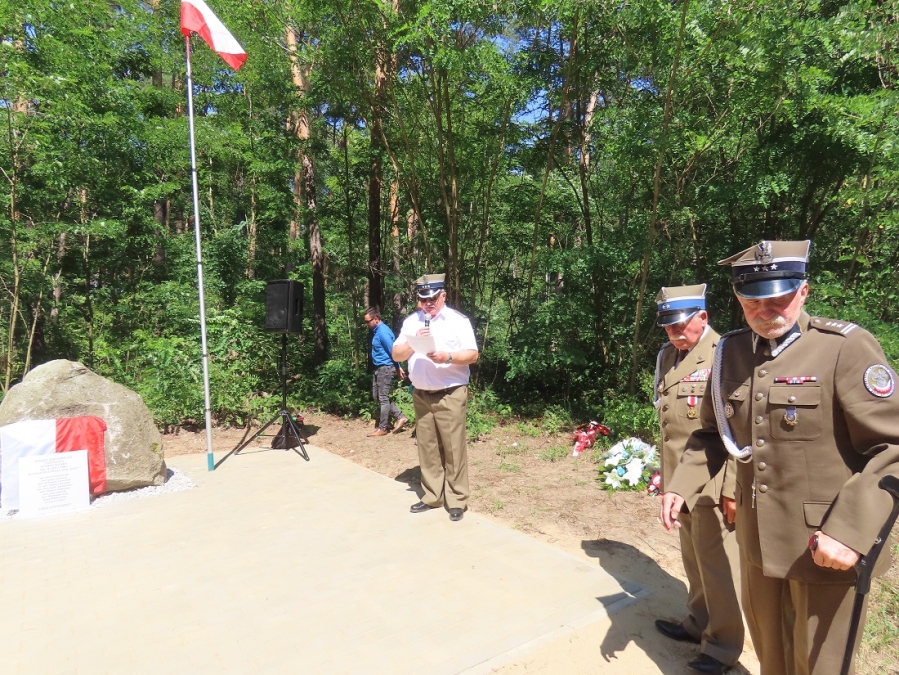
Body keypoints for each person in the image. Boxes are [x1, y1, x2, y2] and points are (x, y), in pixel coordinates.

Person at [660, 240, 899, 675]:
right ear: (738, 298)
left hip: (826, 545)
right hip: (757, 543)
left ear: (803, 291)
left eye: (779, 297)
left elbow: (892, 447)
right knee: (773, 658)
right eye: (753, 300)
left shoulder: (843, 347)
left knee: (820, 665)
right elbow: (713, 434)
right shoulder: (730, 352)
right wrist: (680, 486)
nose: (766, 310)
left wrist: (850, 532)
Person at [652, 284, 743, 675]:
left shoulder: (726, 354)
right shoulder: (669, 355)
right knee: (693, 558)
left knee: (719, 568)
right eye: (668, 326)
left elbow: (737, 430)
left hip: (713, 481)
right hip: (681, 478)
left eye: (680, 325)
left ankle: (722, 647)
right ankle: (698, 623)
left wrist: (732, 489)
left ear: (702, 317)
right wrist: (669, 483)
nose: (674, 333)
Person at [391, 274, 479, 521]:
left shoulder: (457, 321)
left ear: (443, 296)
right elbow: (396, 354)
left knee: (453, 448)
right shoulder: (412, 322)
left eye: (432, 299)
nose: (428, 304)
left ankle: (457, 499)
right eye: (423, 299)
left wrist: (448, 357)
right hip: (421, 394)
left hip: (450, 392)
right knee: (427, 447)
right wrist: (413, 343)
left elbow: (473, 355)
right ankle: (432, 496)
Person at [363, 308, 408, 437]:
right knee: (377, 396)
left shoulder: (383, 332)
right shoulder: (377, 331)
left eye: (368, 321)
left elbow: (393, 351)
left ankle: (383, 428)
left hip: (386, 368)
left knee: (383, 398)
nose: (366, 324)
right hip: (379, 368)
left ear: (376, 319)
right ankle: (400, 417)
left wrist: (398, 367)